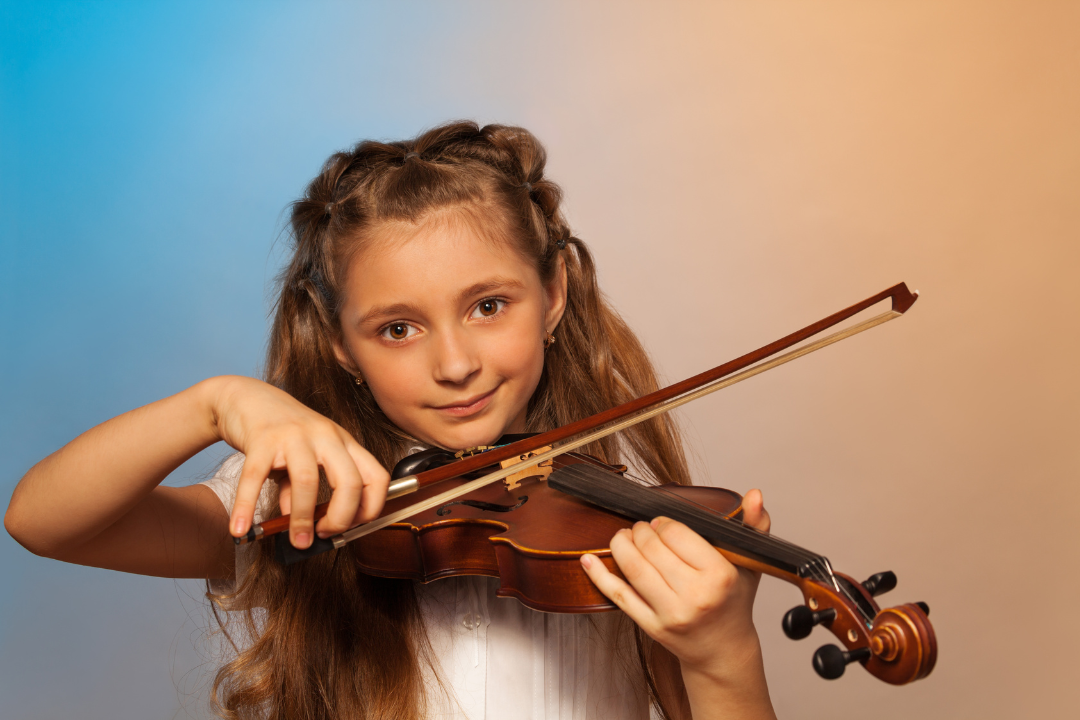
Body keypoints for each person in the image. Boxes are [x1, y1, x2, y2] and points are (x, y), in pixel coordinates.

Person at [5, 122, 776, 720]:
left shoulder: (626, 529)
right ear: (341, 343)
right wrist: (218, 403)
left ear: (555, 292)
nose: (454, 364)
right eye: (398, 328)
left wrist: (722, 654)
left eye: (487, 305)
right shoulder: (304, 499)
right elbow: (47, 521)